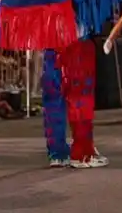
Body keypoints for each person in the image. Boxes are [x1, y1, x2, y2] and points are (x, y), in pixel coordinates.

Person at [42, 38, 106, 168]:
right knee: (80, 96)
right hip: (77, 43)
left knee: (53, 98)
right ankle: (83, 153)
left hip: (52, 43)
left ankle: (57, 153)